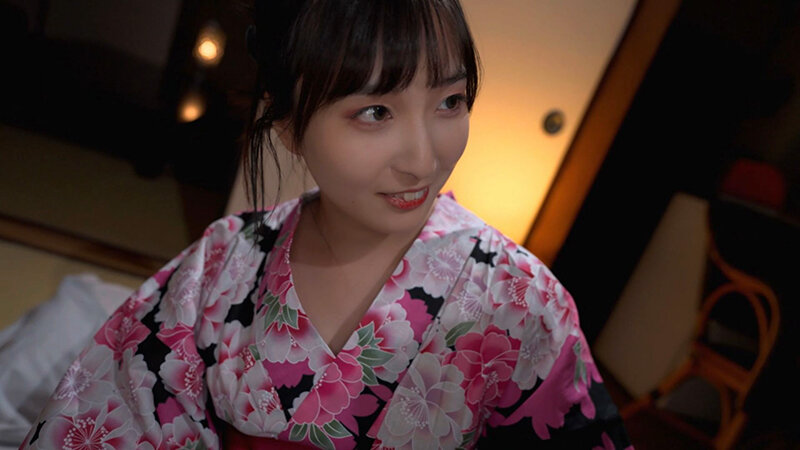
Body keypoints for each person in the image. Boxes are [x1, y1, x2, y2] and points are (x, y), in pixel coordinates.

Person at [20, 0, 632, 448]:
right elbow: (110, 419)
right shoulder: (223, 262)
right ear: (287, 122)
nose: (423, 160)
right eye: (376, 111)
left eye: (450, 101)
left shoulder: (521, 300)